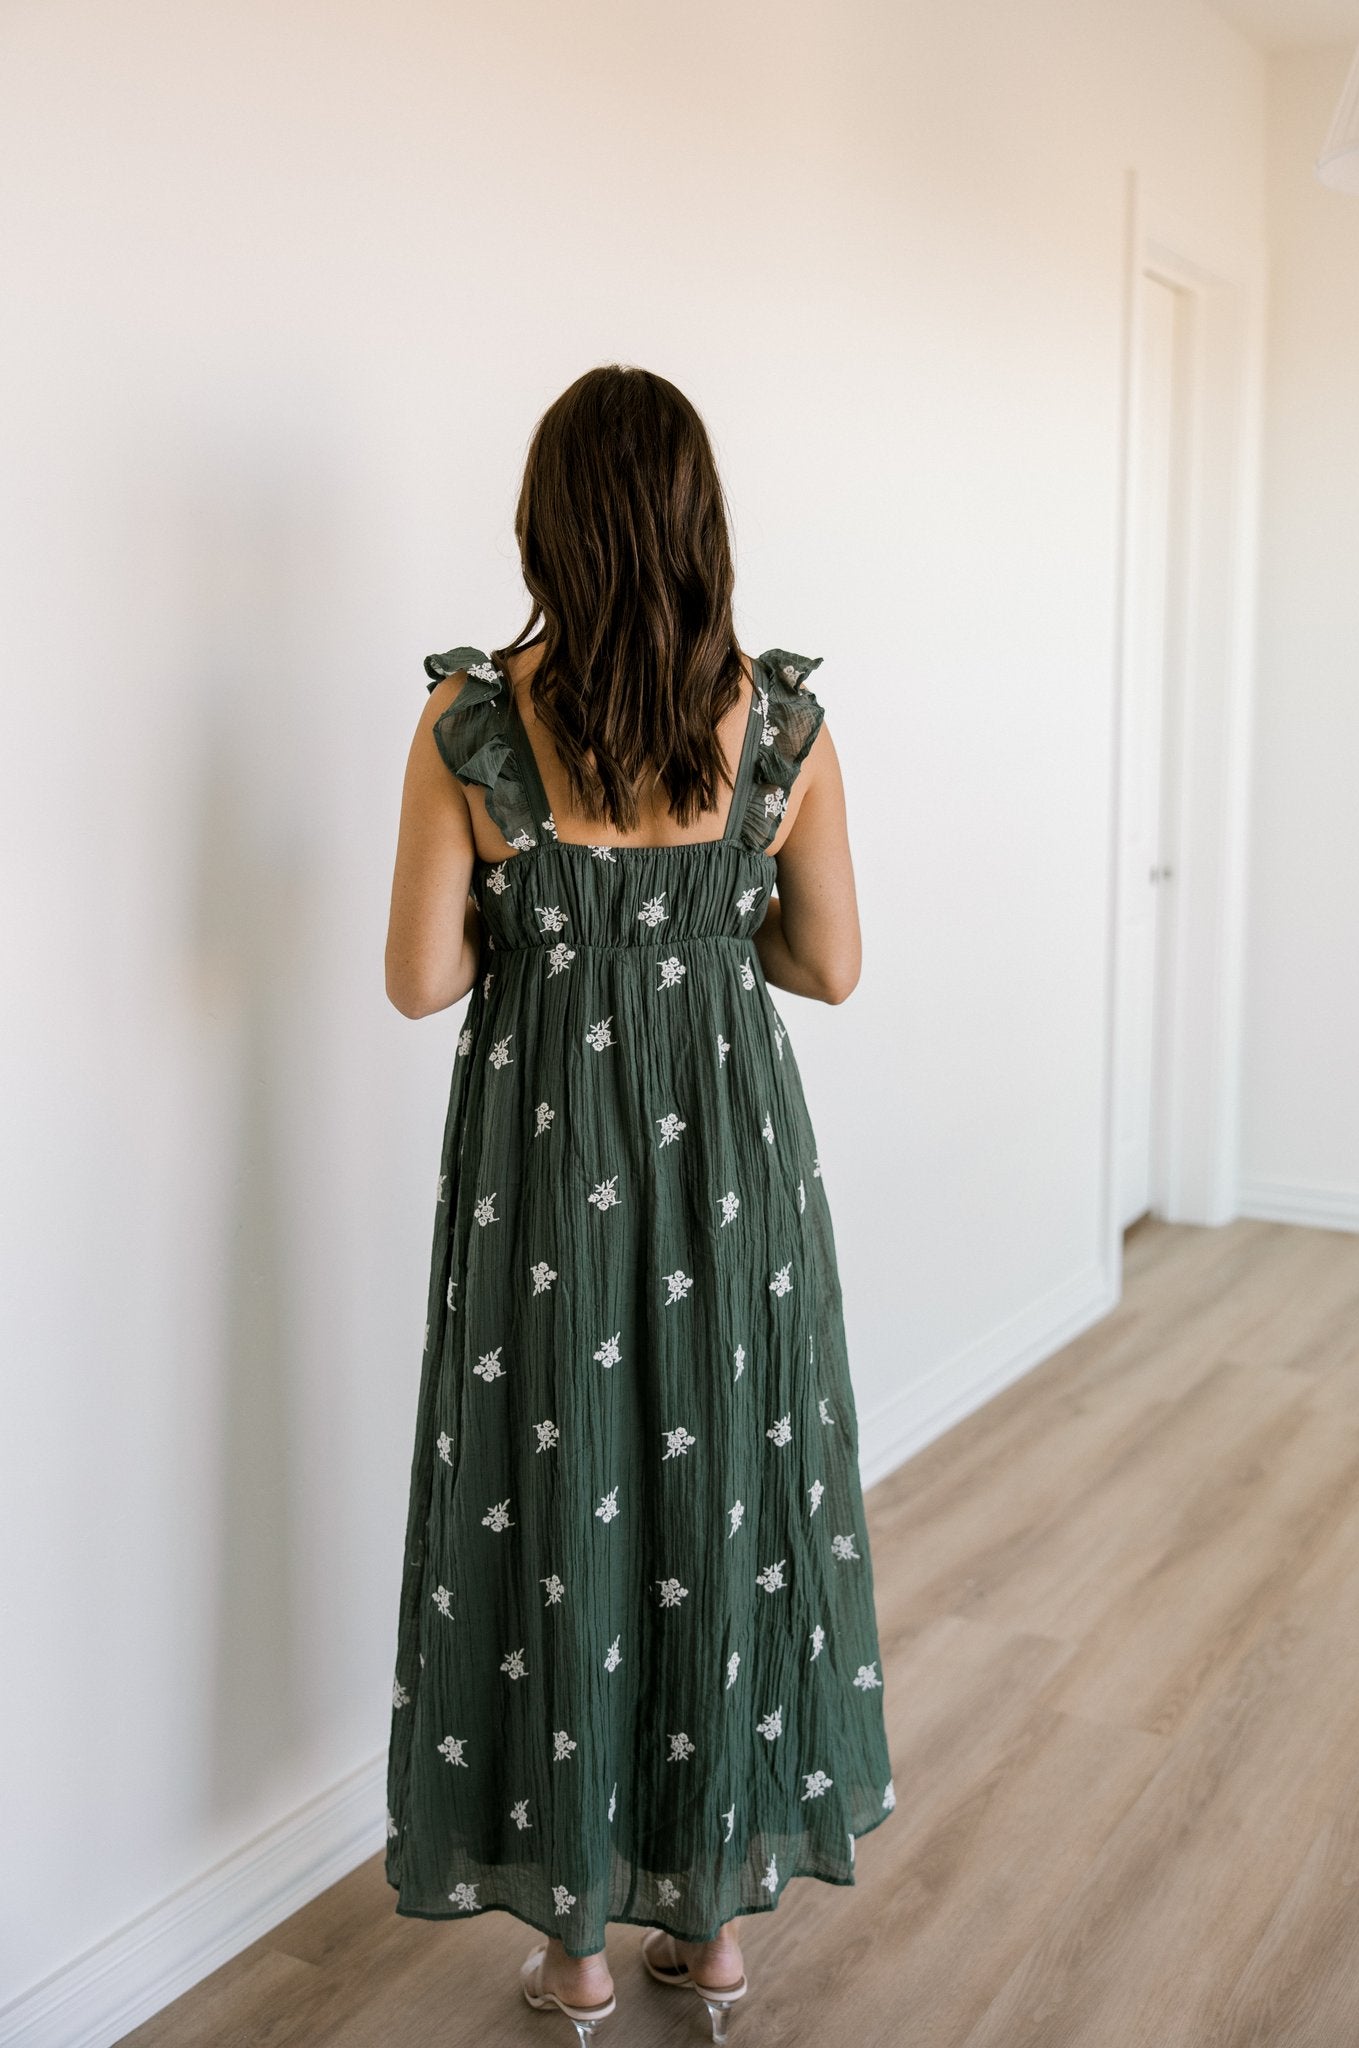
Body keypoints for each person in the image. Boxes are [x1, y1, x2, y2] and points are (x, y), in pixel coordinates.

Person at [382, 365, 896, 2042]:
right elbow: (828, 966)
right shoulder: (785, 728)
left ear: (543, 520)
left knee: (549, 1519)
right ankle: (715, 1932)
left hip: (543, 1185)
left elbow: (414, 982)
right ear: (699, 524)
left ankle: (580, 1951)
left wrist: (557, 930)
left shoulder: (469, 724)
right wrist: (689, 938)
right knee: (726, 1509)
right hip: (732, 1178)